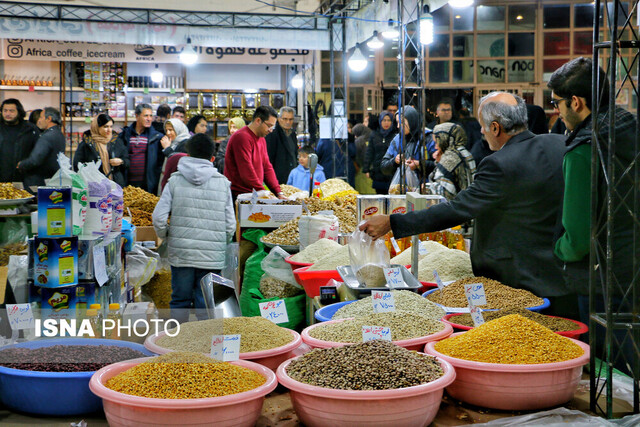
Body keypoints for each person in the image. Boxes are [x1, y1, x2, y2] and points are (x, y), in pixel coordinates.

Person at [361, 92, 573, 315]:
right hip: (564, 276)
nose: (480, 131)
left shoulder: (498, 164)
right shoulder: (561, 145)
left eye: (482, 126)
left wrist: (392, 222)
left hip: (520, 283)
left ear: (495, 128)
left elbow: (456, 209)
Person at [548, 57, 638, 365]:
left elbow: (578, 239)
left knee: (607, 370)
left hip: (603, 280)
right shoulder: (629, 125)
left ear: (576, 101)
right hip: (633, 267)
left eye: (557, 103)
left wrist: (557, 248)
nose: (556, 112)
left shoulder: (584, 148)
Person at [152, 133, 236, 323]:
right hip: (212, 257)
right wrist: (220, 244)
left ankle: (177, 343)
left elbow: (158, 217)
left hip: (182, 254)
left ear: (187, 155)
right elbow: (230, 224)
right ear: (212, 158)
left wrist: (166, 235)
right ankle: (203, 346)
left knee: (180, 301)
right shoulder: (223, 183)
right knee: (206, 303)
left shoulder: (175, 181)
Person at [223, 105, 284, 200]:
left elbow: (267, 167)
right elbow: (246, 171)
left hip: (254, 194)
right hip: (239, 196)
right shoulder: (242, 137)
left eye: (273, 127)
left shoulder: (261, 138)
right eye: (269, 126)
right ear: (258, 121)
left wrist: (278, 192)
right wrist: (262, 192)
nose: (271, 130)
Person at [117, 103, 164, 194]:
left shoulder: (157, 137)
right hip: (128, 183)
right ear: (137, 116)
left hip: (148, 184)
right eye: (146, 115)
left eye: (151, 116)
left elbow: (160, 162)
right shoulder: (125, 135)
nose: (149, 119)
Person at [73, 114, 129, 187]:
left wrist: (121, 161)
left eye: (111, 126)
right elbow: (77, 166)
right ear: (97, 127)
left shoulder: (117, 141)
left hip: (115, 186)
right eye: (105, 127)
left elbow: (127, 161)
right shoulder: (86, 144)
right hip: (94, 187)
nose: (109, 130)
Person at [18, 107, 66, 188]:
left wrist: (21, 164)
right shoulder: (59, 134)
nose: (39, 120)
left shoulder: (46, 136)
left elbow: (35, 160)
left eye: (41, 117)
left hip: (38, 180)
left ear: (49, 119)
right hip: (53, 179)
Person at [429, 122, 476, 200]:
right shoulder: (466, 153)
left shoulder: (449, 158)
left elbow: (442, 195)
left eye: (437, 142)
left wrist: (440, 164)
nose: (436, 147)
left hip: (456, 207)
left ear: (444, 139)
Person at [380, 106, 424, 184]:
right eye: (397, 122)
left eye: (402, 122)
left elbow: (436, 165)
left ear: (412, 121)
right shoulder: (397, 139)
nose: (398, 126)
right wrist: (394, 161)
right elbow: (384, 166)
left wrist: (419, 164)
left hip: (423, 188)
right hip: (400, 188)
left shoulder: (426, 138)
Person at [0, 99, 39, 184]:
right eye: (5, 110)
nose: (7, 114)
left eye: (11, 111)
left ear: (19, 112)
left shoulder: (30, 129)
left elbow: (37, 153)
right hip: (2, 177)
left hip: (24, 178)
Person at [363, 111, 397, 194]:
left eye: (389, 120)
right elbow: (369, 152)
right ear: (380, 121)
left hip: (391, 170)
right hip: (378, 171)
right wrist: (366, 168)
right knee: (379, 196)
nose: (386, 123)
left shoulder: (395, 135)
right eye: (384, 120)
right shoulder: (374, 134)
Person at [266, 106, 298, 184]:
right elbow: (269, 159)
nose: (288, 122)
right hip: (278, 178)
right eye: (285, 119)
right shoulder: (272, 134)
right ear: (279, 119)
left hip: (291, 177)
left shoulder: (292, 134)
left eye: (290, 119)